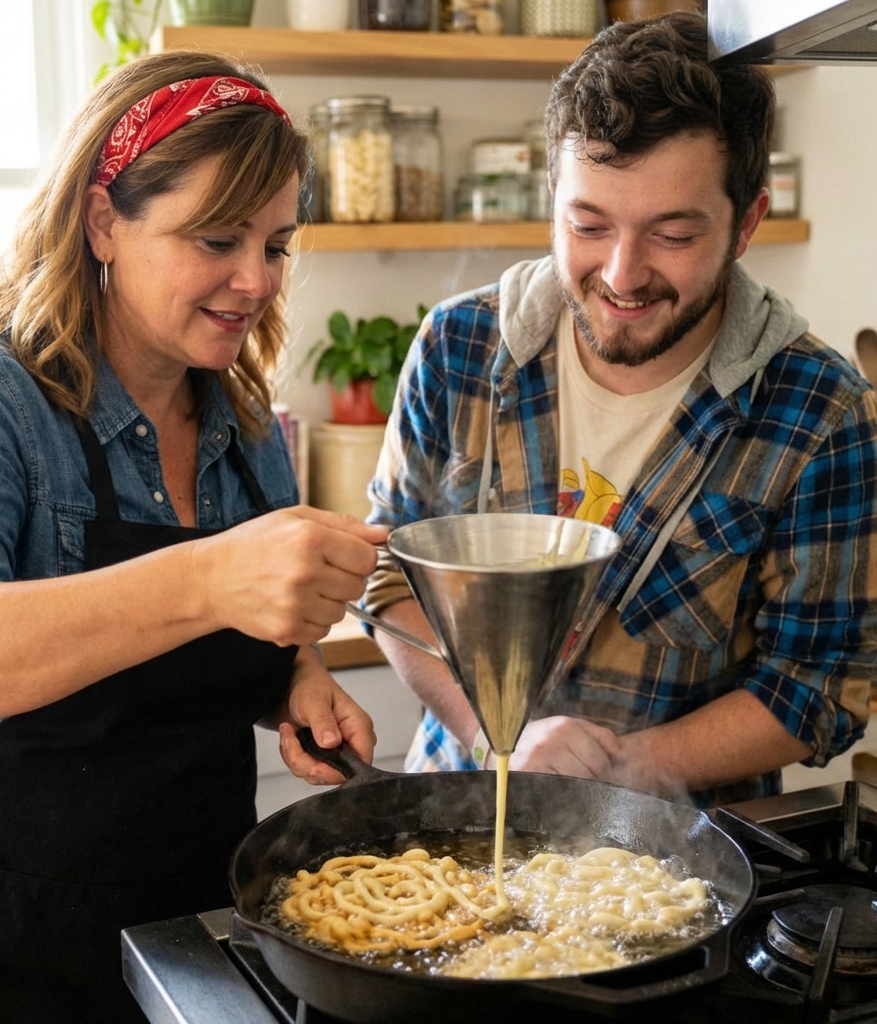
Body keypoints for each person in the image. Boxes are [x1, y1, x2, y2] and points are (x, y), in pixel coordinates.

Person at [0, 51, 388, 1024]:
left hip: (187, 926)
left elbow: (234, 640)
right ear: (105, 219)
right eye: (217, 238)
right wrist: (211, 575)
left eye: (275, 244)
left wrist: (295, 677)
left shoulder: (244, 421)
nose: (255, 278)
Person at [364, 12, 877, 808]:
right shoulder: (458, 348)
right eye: (588, 226)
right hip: (454, 825)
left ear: (746, 222)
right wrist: (496, 734)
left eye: (671, 233)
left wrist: (611, 772)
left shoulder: (822, 412)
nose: (622, 274)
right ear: (552, 201)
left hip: (678, 860)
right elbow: (391, 576)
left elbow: (821, 683)